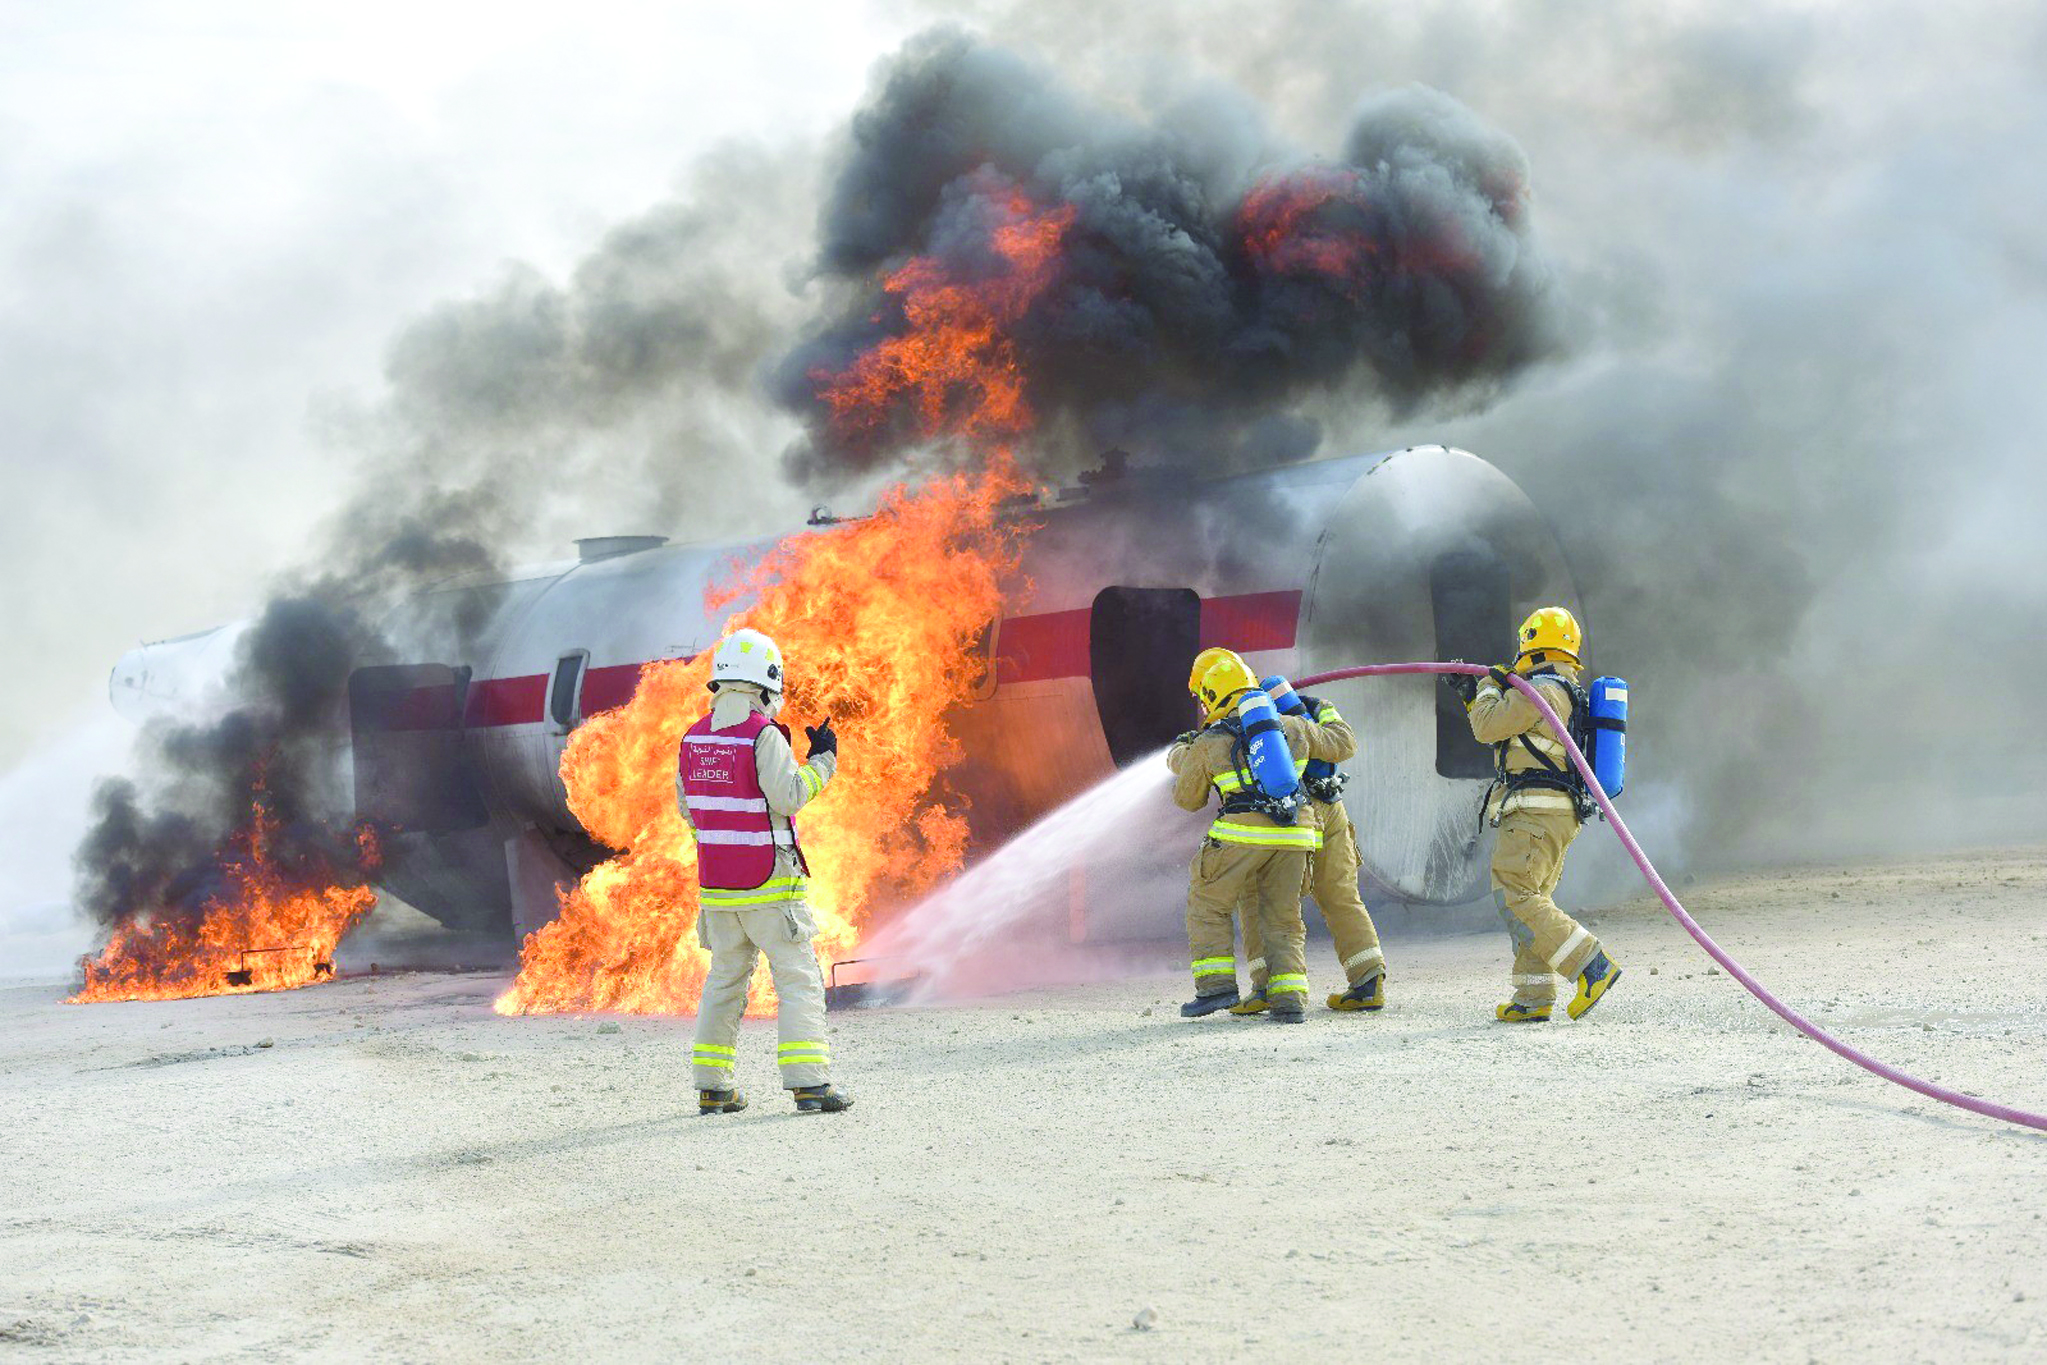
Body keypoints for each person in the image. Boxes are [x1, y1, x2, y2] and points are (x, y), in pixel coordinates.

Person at [678, 627, 852, 1114]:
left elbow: (691, 811)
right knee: (797, 979)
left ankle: (713, 1088)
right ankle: (810, 1086)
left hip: (717, 891)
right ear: (767, 683)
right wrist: (823, 760)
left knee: (725, 982)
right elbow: (790, 796)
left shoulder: (693, 738)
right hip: (771, 889)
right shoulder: (762, 736)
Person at [1447, 606, 1622, 1022]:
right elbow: (1503, 727)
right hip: (1551, 813)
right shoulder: (1557, 690)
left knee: (1515, 892)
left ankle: (1591, 965)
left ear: (1532, 645)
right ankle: (1534, 995)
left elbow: (1488, 728)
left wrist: (1488, 685)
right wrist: (1473, 696)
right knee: (1529, 898)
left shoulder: (1542, 689)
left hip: (1535, 812)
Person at [1168, 648, 1354, 1024]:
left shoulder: (1210, 741)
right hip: (1298, 830)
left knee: (1208, 901)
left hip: (1242, 832)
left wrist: (1180, 756)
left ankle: (1215, 987)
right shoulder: (1292, 725)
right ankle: (1290, 1002)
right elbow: (1341, 745)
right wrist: (1309, 707)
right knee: (1284, 918)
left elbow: (1188, 800)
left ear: (1210, 695)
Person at [1228, 679, 1387, 1015]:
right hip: (1332, 808)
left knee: (1263, 899)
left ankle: (1267, 987)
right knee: (1341, 895)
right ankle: (1368, 982)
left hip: (1292, 817)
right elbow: (1344, 744)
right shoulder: (1317, 707)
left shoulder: (1252, 720)